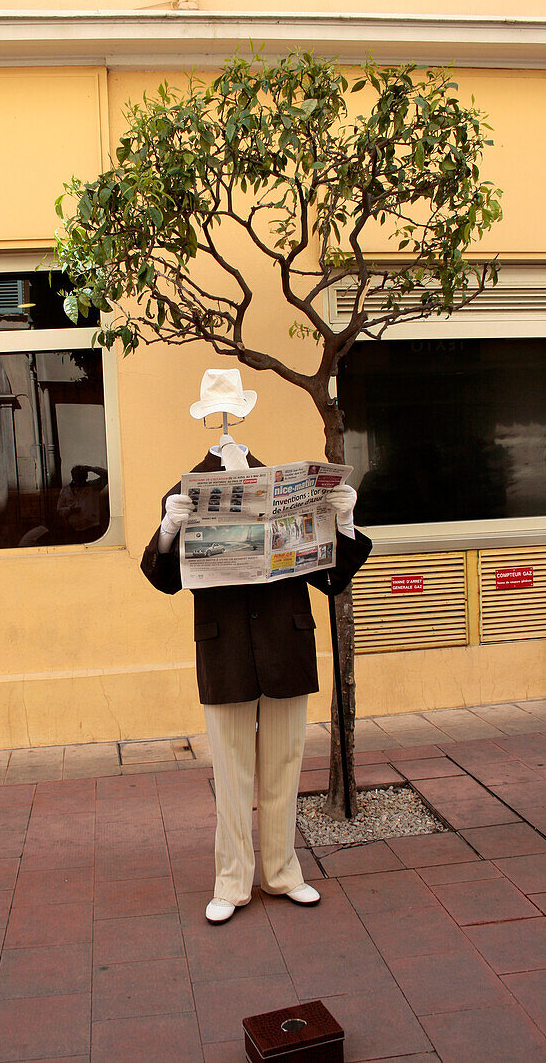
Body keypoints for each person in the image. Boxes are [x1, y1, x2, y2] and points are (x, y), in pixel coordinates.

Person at [141, 369, 372, 924]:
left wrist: (344, 522)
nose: (225, 424)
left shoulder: (286, 486)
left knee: (285, 765)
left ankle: (283, 873)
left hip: (285, 645)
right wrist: (169, 532)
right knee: (231, 772)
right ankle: (231, 882)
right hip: (224, 652)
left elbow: (332, 580)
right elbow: (163, 578)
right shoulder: (183, 492)